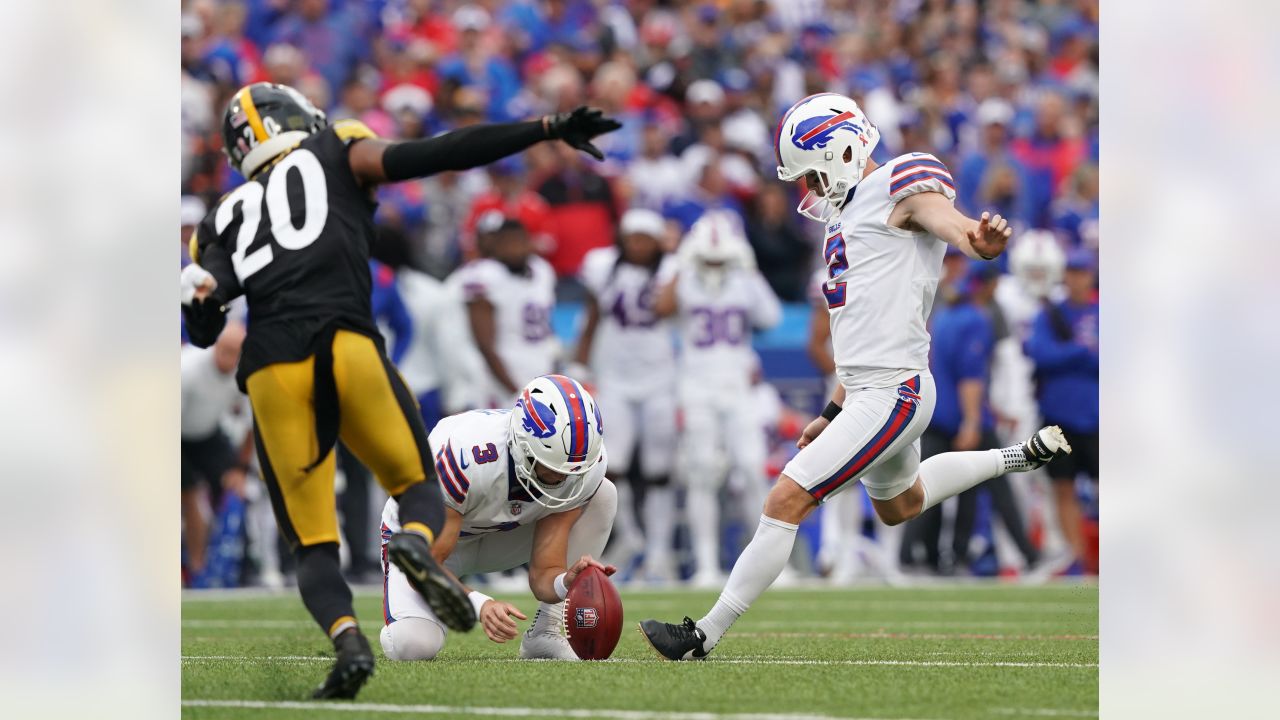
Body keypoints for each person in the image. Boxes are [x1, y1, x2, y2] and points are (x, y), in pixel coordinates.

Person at [180, 81, 620, 697]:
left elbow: (202, 327)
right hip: (346, 341)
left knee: (311, 539)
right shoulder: (337, 147)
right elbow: (436, 154)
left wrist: (194, 300)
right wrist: (542, 128)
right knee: (415, 490)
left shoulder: (220, 219)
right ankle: (411, 548)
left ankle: (346, 640)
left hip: (273, 365)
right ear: (302, 119)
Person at [640, 92, 1071, 659]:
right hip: (870, 386)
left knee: (785, 499)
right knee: (901, 506)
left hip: (895, 389)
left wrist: (976, 238)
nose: (811, 191)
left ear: (842, 151)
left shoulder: (898, 185)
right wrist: (832, 411)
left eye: (814, 176)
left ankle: (703, 634)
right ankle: (1019, 456)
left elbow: (952, 224)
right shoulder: (847, 214)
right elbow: (858, 333)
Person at [379, 375, 617, 661]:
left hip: (504, 533)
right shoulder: (463, 453)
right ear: (522, 445)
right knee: (413, 645)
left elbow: (544, 573)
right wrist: (480, 605)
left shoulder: (579, 466)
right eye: (551, 468)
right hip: (429, 548)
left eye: (572, 471)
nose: (563, 479)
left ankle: (546, 631)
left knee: (603, 494)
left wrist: (566, 581)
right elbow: (425, 566)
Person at [653, 211, 782, 587]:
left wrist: (752, 271)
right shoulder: (680, 276)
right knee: (701, 474)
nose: (714, 265)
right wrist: (678, 263)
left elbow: (771, 316)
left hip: (738, 386)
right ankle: (707, 565)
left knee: (753, 468)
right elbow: (660, 308)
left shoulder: (744, 279)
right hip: (696, 385)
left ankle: (768, 566)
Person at [900, 264, 1041, 574]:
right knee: (996, 478)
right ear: (985, 286)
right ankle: (1028, 556)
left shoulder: (943, 318)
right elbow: (970, 377)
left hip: (935, 412)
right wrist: (973, 420)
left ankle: (918, 557)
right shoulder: (976, 320)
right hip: (963, 416)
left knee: (930, 486)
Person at [573, 208, 679, 582]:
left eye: (644, 238)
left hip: (659, 378)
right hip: (614, 378)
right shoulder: (602, 267)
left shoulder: (671, 269)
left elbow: (670, 306)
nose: (637, 245)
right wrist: (581, 366)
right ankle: (631, 535)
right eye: (631, 237)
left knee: (659, 470)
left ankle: (659, 553)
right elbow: (591, 318)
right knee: (611, 466)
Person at [1025, 248, 1099, 574]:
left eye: (1082, 272)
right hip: (1058, 414)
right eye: (1071, 272)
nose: (1077, 278)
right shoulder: (1050, 314)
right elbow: (1040, 354)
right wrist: (1080, 352)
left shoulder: (1101, 312)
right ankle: (1077, 560)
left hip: (1097, 415)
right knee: (1063, 487)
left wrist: (1071, 356)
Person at [454, 212, 558, 407]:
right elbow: (485, 344)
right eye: (509, 243)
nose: (516, 248)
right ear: (497, 246)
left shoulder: (542, 269)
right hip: (502, 379)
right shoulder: (483, 275)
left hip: (540, 367)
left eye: (520, 241)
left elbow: (546, 324)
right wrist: (516, 391)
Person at [181, 321, 251, 581]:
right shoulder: (187, 369)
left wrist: (240, 469)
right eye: (225, 350)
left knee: (238, 491)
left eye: (235, 352)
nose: (228, 358)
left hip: (208, 434)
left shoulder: (244, 373)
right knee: (189, 495)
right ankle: (196, 568)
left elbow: (251, 425)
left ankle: (237, 565)